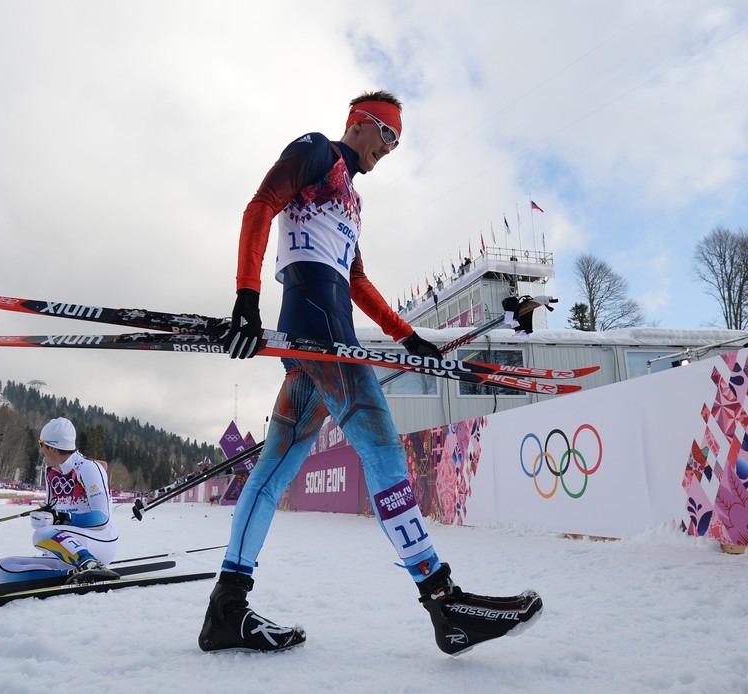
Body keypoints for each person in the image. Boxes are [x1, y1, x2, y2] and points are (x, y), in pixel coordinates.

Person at [201, 90, 543, 655]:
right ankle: (442, 601)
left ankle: (225, 609)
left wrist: (411, 338)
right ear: (359, 124)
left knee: (271, 474)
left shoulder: (353, 203)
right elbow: (260, 205)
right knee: (382, 447)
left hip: (328, 343)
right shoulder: (316, 152)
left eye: (398, 142)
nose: (391, 149)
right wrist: (246, 297)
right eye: (387, 134)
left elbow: (356, 282)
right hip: (316, 333)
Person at [0, 417, 120, 585]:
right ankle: (69, 574)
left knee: (41, 535)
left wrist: (60, 519)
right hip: (69, 548)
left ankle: (91, 564)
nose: (41, 449)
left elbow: (102, 519)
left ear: (52, 447)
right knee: (3, 568)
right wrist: (43, 517)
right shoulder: (51, 471)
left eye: (41, 444)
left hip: (99, 541)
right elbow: (51, 513)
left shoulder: (88, 468)